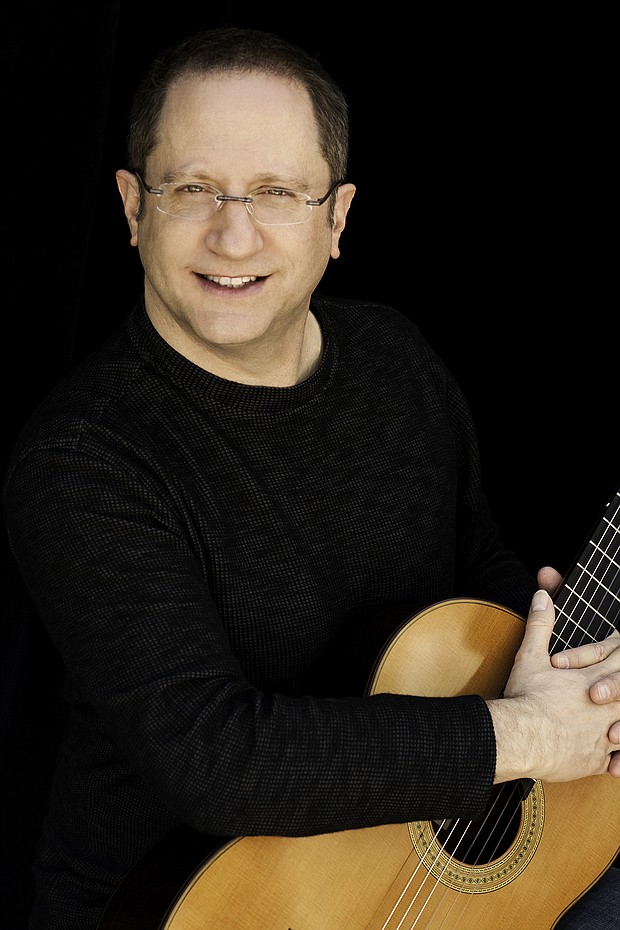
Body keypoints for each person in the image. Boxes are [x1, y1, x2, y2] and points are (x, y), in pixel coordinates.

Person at [3, 25, 619, 930]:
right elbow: (219, 759)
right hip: (192, 901)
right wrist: (532, 734)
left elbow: (475, 566)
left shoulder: (394, 358)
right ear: (133, 206)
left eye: (277, 192)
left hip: (427, 854)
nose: (233, 231)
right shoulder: (85, 459)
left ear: (337, 218)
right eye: (192, 188)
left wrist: (581, 673)